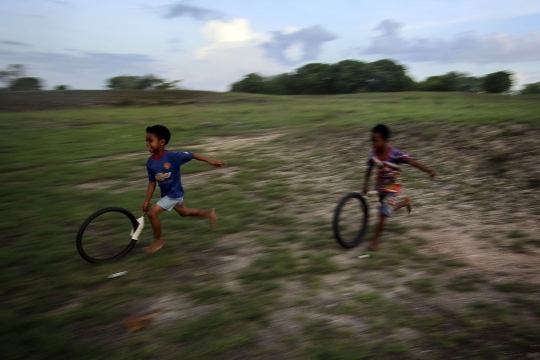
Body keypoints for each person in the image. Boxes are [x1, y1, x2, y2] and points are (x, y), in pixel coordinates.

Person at [142, 125, 226, 253]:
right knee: (184, 213)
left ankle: (158, 241)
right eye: (146, 140)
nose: (147, 143)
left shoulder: (173, 156)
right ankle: (208, 215)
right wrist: (147, 200)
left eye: (150, 140)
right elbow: (152, 182)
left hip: (174, 194)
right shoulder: (150, 162)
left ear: (162, 142)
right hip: (167, 194)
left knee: (152, 214)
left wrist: (212, 161)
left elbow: (193, 155)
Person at [362, 124, 435, 251]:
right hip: (380, 187)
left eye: (376, 140)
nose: (372, 143)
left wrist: (428, 170)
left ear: (385, 141)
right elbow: (369, 169)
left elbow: (412, 162)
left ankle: (374, 243)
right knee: (386, 210)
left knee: (383, 214)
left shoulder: (395, 154)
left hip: (393, 188)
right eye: (371, 140)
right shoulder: (372, 155)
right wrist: (365, 185)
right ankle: (406, 202)